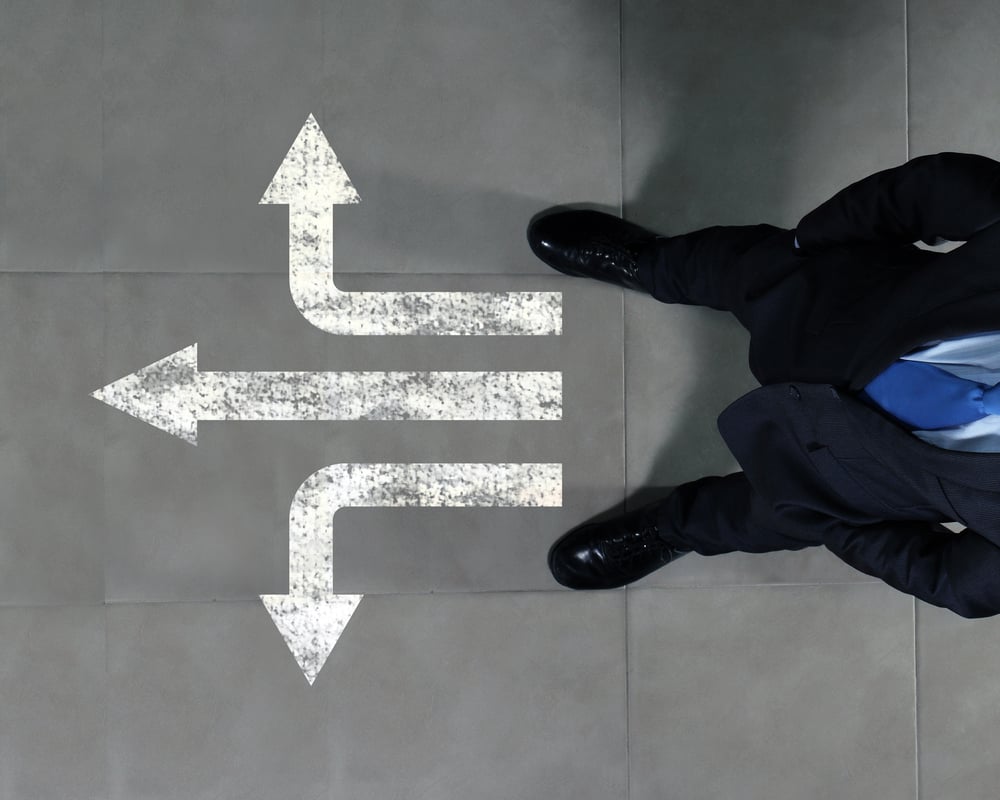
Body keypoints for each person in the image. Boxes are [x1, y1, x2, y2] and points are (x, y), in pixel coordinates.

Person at [528, 151, 1000, 618]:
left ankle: (672, 528)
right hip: (845, 302)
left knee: (762, 515)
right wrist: (815, 239)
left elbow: (959, 582)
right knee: (738, 268)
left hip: (852, 480)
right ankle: (650, 264)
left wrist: (838, 525)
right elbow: (946, 188)